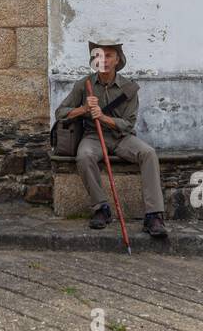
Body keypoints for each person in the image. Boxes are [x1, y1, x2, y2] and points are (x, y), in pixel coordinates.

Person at [56, 40, 167, 237]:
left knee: (148, 153)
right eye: (99, 55)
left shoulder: (129, 88)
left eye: (108, 56)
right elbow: (60, 113)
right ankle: (101, 208)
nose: (103, 60)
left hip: (122, 137)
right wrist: (83, 109)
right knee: (84, 156)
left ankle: (153, 215)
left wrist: (103, 116)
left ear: (117, 60)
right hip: (93, 137)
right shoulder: (84, 85)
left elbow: (128, 124)